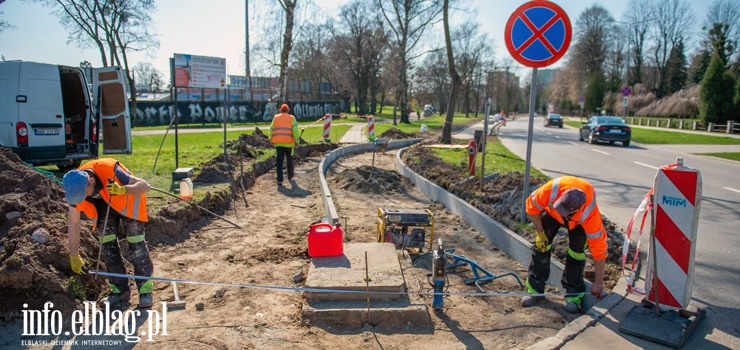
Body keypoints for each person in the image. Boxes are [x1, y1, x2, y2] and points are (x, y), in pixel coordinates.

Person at [63, 159, 155, 309]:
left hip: (126, 199)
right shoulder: (74, 188)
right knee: (107, 245)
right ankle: (119, 291)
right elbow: (73, 224)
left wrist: (123, 189)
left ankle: (145, 291)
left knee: (136, 242)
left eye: (83, 194)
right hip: (103, 207)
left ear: (91, 181)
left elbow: (145, 186)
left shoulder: (109, 170)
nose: (81, 199)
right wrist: (73, 255)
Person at [521, 176, 607, 314]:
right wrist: (540, 233)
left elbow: (599, 250)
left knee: (576, 253)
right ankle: (534, 290)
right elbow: (532, 208)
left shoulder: (589, 216)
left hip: (578, 223)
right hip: (551, 214)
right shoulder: (550, 191)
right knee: (541, 246)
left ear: (576, 211)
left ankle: (573, 296)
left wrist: (598, 283)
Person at [270, 103, 300, 187]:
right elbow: (295, 130)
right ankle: (290, 176)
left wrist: (271, 140)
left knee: (279, 162)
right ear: (288, 111)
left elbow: (271, 129)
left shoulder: (275, 118)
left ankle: (279, 180)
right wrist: (297, 141)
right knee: (289, 160)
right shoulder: (292, 118)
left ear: (280, 110)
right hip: (289, 144)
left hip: (278, 144)